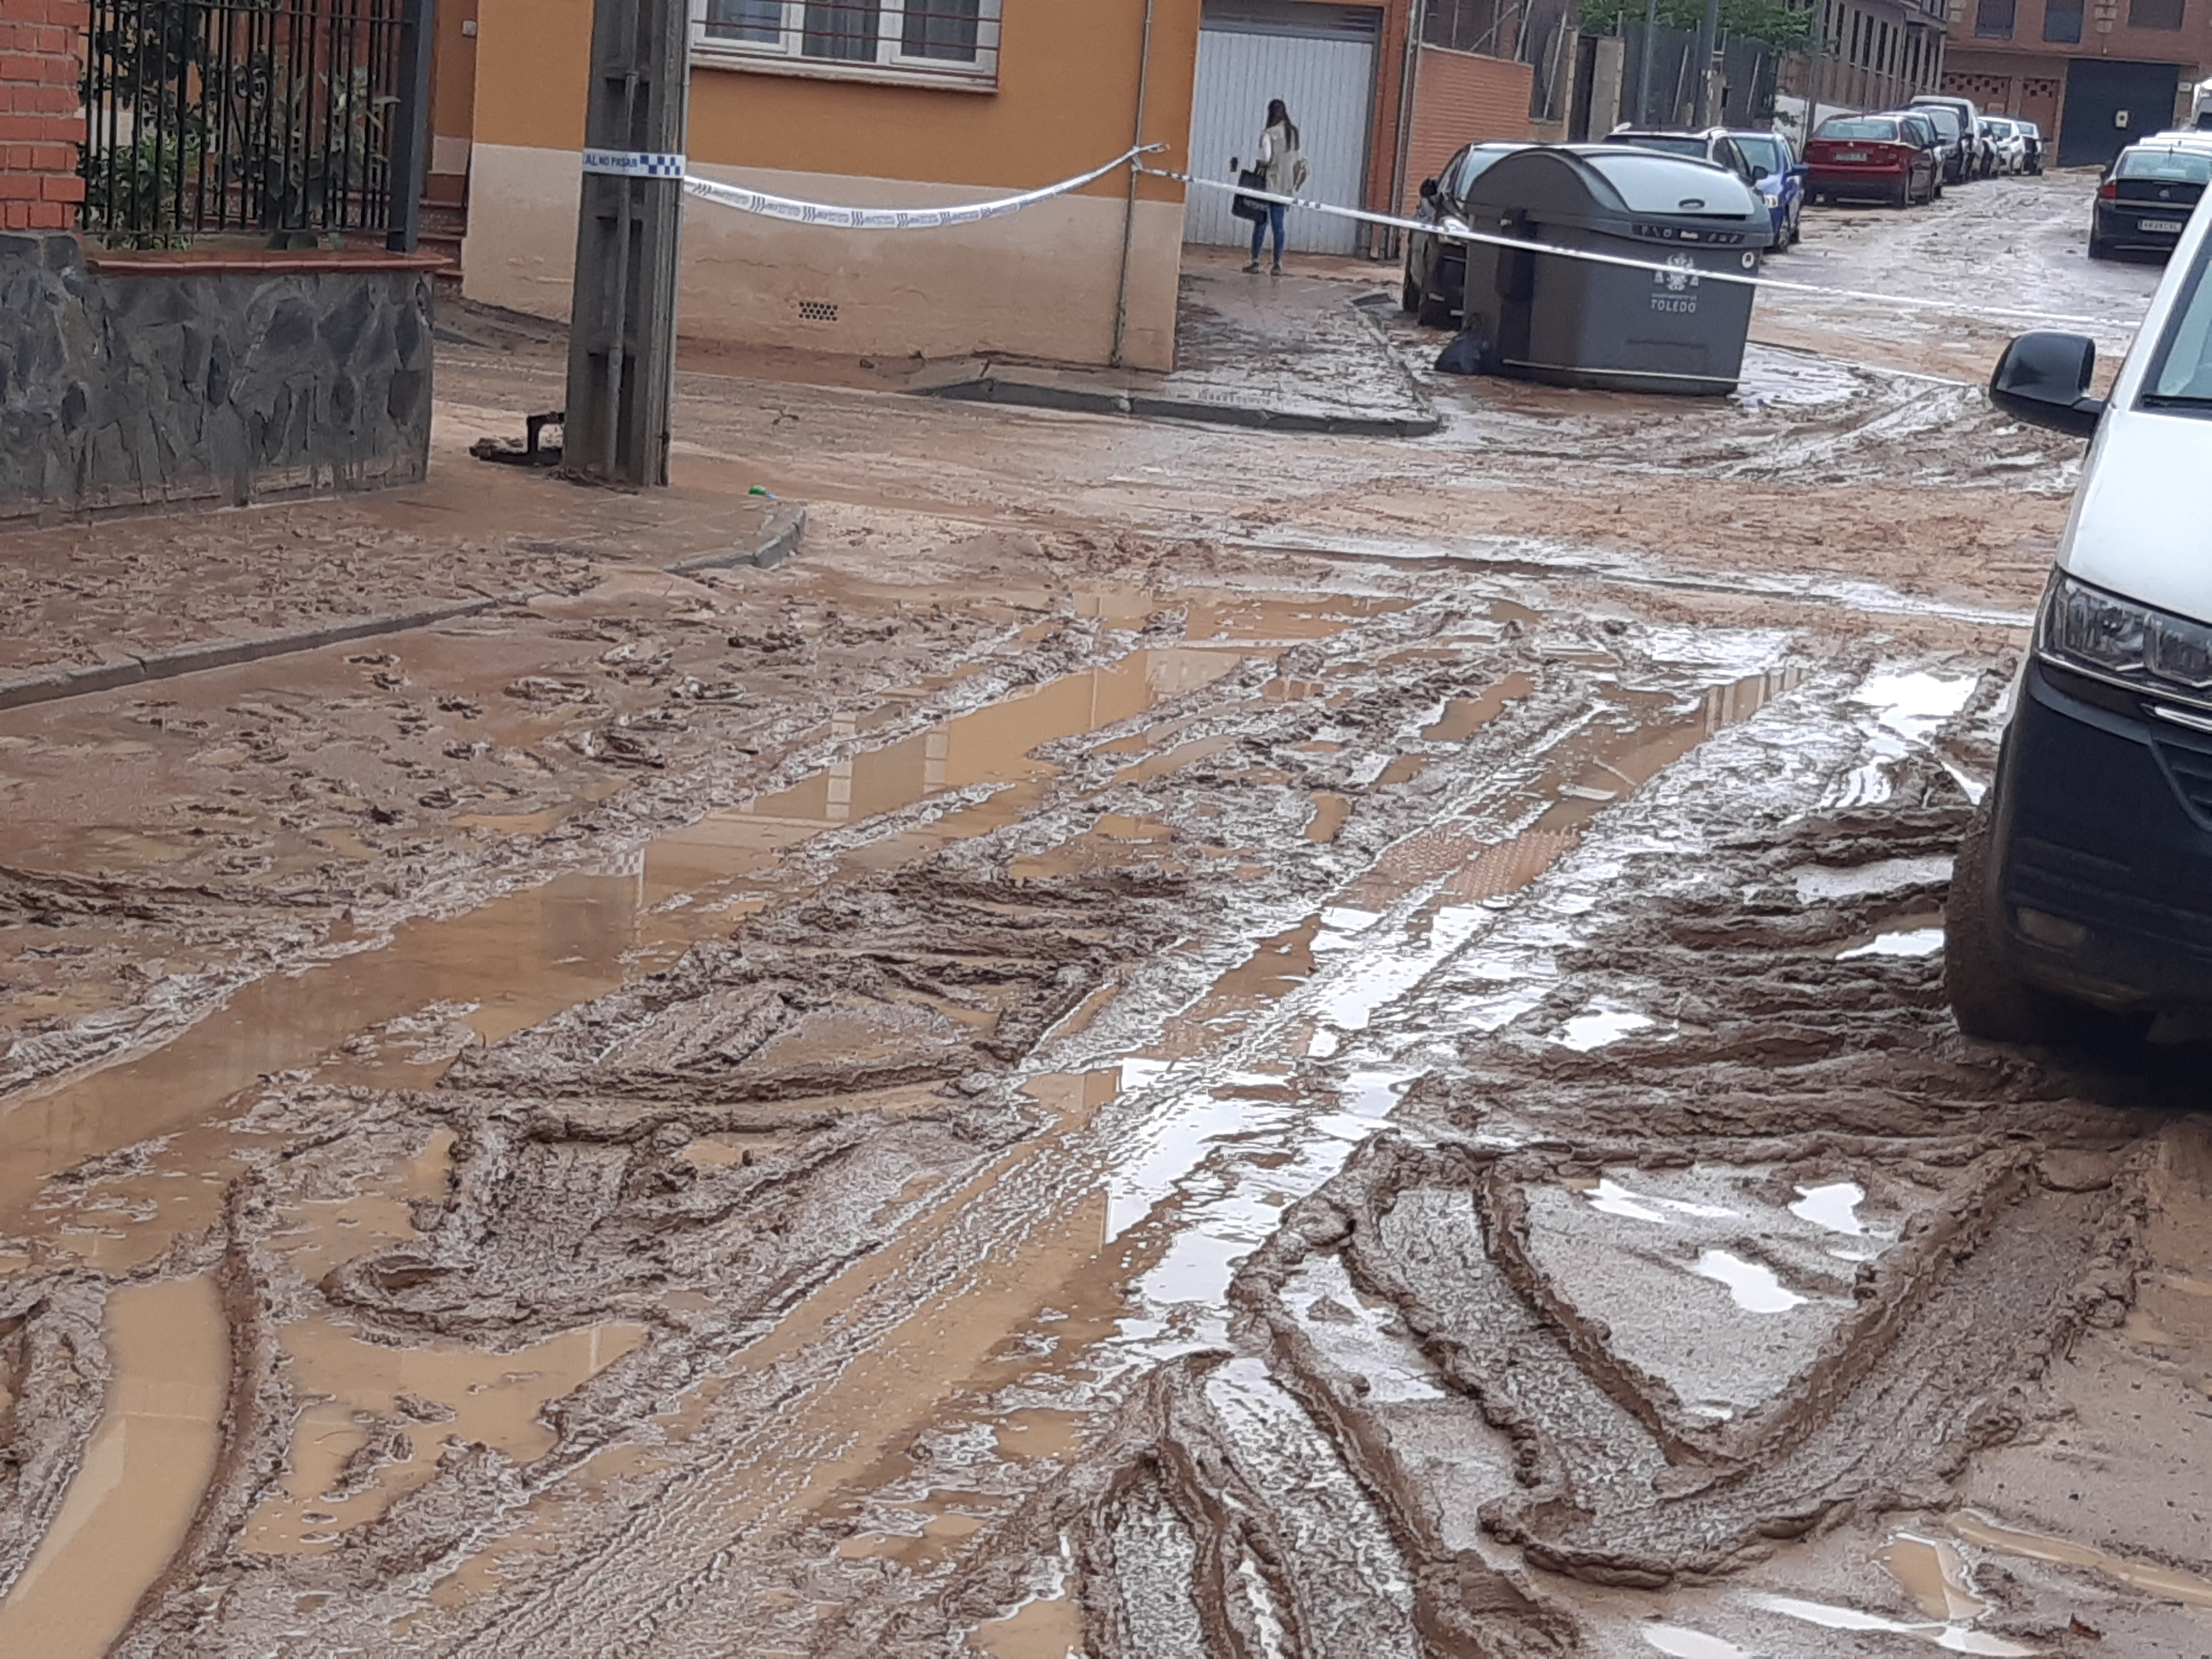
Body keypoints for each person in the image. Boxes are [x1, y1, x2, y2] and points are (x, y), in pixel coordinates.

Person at [1241, 98, 1308, 275]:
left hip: (1268, 184)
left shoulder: (1269, 134)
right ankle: (1278, 264)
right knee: (1279, 226)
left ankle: (1256, 261)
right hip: (1286, 186)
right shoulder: (1294, 133)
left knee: (1261, 222)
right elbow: (1297, 158)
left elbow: (1267, 159)